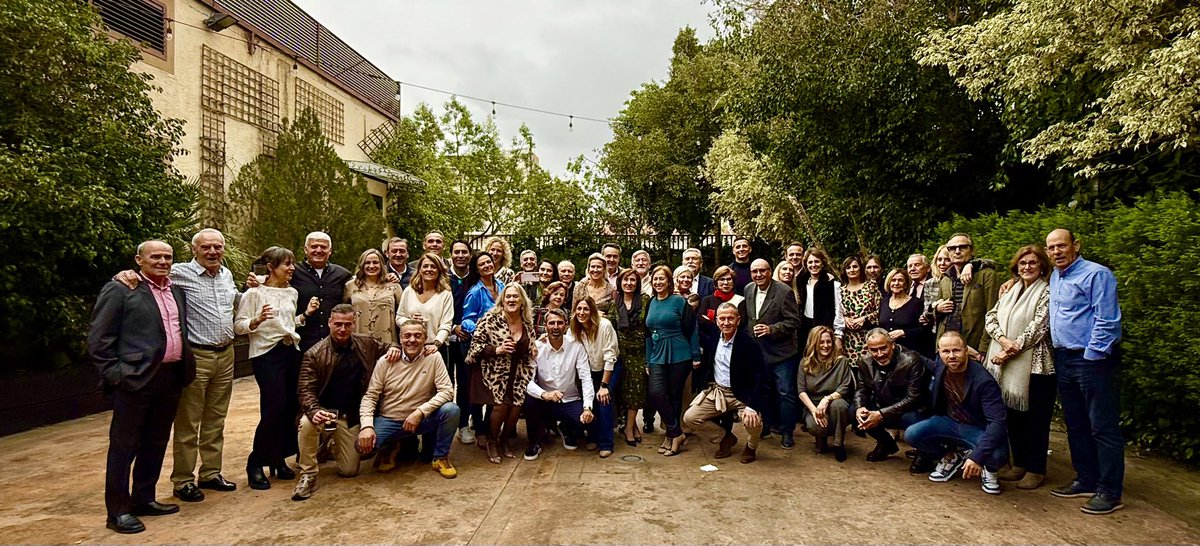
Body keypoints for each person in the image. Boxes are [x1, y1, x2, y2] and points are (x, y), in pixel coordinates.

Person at [112, 229, 239, 503]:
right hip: (197, 356)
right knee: (188, 422)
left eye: (217, 247)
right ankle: (183, 480)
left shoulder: (227, 275)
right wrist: (124, 274)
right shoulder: (179, 273)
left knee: (216, 420)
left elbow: (235, 303)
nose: (212, 252)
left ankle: (211, 472)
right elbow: (148, 275)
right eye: (206, 247)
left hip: (226, 355)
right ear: (194, 250)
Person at [90, 240, 197, 534]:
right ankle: (118, 512)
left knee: (156, 441)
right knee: (124, 446)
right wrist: (116, 375)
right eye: (155, 256)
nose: (162, 261)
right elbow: (99, 337)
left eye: (167, 257)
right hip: (135, 379)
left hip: (171, 377)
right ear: (139, 260)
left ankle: (143, 498)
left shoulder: (176, 291)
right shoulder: (121, 289)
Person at [1044, 228, 1125, 515]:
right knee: (1076, 423)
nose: (1056, 252)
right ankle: (1086, 479)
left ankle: (1110, 491)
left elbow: (1107, 320)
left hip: (1092, 360)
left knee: (1102, 426)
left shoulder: (1096, 274)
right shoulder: (1056, 276)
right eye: (1051, 248)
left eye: (1061, 245)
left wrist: (1092, 356)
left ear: (1075, 245)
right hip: (1064, 358)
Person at [292, 304, 402, 500]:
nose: (343, 329)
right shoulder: (314, 354)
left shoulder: (366, 343)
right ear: (329, 323)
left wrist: (395, 347)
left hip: (350, 416)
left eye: (347, 324)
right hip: (325, 412)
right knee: (307, 423)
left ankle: (330, 444)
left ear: (354, 324)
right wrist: (314, 411)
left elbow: (388, 346)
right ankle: (308, 474)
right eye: (338, 324)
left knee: (349, 470)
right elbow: (305, 390)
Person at [235, 246, 319, 490]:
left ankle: (278, 458)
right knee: (274, 408)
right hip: (266, 355)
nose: (292, 268)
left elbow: (288, 324)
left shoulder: (292, 292)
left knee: (289, 407)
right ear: (271, 267)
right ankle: (255, 463)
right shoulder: (254, 293)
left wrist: (305, 315)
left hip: (290, 352)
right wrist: (257, 320)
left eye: (292, 263)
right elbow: (239, 326)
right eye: (286, 264)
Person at [983, 245, 1054, 490]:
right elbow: (990, 317)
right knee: (1013, 416)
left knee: (1036, 420)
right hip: (1006, 363)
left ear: (1042, 266)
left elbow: (1039, 326)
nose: (1027, 267)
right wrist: (1003, 341)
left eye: (1033, 263)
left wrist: (1010, 349)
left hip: (1036, 367)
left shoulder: (1047, 291)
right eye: (1023, 263)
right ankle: (1020, 464)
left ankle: (1036, 469)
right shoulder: (1010, 290)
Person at [904, 331, 1008, 495]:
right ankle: (951, 457)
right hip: (949, 422)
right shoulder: (941, 365)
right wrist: (894, 346)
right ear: (939, 353)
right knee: (912, 434)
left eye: (956, 350)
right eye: (946, 351)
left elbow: (997, 422)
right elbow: (923, 360)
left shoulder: (984, 381)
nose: (951, 356)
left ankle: (989, 470)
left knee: (997, 454)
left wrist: (977, 457)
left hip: (977, 428)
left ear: (966, 350)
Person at [358, 320, 460, 480]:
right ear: (400, 338)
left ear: (425, 338)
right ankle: (393, 445)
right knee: (362, 448)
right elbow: (370, 396)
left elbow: (447, 391)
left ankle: (440, 457)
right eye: (407, 336)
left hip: (421, 420)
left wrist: (420, 412)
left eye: (418, 336)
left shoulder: (433, 358)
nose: (412, 340)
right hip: (390, 419)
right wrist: (366, 426)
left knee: (451, 410)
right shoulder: (386, 361)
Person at [685, 303, 771, 463]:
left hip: (743, 394)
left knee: (753, 422)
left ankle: (751, 447)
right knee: (690, 418)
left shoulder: (749, 344)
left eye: (730, 318)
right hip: (719, 392)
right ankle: (725, 438)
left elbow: (762, 377)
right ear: (717, 321)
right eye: (722, 319)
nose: (726, 323)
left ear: (738, 320)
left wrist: (753, 406)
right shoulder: (714, 337)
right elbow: (694, 321)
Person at [465, 284, 538, 464]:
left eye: (515, 296)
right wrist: (497, 349)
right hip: (494, 372)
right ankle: (492, 441)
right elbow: (474, 347)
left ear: (522, 301)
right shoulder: (490, 319)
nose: (511, 300)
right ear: (502, 301)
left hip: (519, 373)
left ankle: (504, 440)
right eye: (508, 297)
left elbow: (531, 342)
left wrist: (533, 348)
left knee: (516, 407)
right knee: (500, 406)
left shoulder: (527, 321)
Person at [743, 258, 802, 449]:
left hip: (782, 353)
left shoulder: (784, 291)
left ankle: (787, 431)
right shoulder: (748, 289)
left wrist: (771, 329)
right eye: (755, 271)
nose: (758, 275)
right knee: (762, 391)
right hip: (759, 353)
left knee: (785, 392)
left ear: (770, 271)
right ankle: (766, 425)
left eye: (762, 271)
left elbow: (794, 321)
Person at [522, 308, 594, 460]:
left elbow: (586, 378)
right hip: (544, 400)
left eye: (560, 323)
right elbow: (526, 380)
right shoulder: (537, 347)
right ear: (545, 326)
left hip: (569, 399)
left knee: (584, 422)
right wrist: (544, 394)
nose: (555, 327)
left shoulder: (576, 346)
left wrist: (587, 407)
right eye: (551, 323)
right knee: (529, 401)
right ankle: (535, 441)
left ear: (566, 325)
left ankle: (565, 427)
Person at [645, 265, 701, 456]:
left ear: (669, 281)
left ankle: (671, 436)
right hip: (657, 354)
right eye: (655, 279)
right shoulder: (651, 302)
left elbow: (692, 328)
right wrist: (648, 360)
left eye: (662, 278)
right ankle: (677, 433)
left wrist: (696, 355)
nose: (658, 282)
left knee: (675, 397)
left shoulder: (679, 301)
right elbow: (648, 334)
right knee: (656, 394)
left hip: (680, 353)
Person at [854, 329, 931, 468]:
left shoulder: (911, 360)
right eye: (874, 350)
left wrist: (880, 414)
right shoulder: (864, 362)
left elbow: (913, 397)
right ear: (868, 349)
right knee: (855, 412)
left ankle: (924, 452)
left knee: (911, 419)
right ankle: (886, 443)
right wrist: (860, 407)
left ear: (892, 345)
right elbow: (861, 390)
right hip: (883, 406)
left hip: (912, 409)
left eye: (883, 348)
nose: (880, 354)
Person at [566, 296, 619, 457]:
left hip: (609, 367)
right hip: (589, 371)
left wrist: (604, 386)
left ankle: (606, 443)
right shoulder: (574, 329)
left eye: (586, 309)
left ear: (592, 311)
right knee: (589, 402)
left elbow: (610, 357)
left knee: (603, 401)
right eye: (579, 309)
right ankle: (593, 437)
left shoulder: (604, 325)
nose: (582, 313)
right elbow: (565, 345)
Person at [797, 326, 854, 462]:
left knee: (839, 406)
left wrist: (827, 399)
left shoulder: (841, 361)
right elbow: (801, 391)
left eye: (829, 342)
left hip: (835, 400)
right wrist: (814, 410)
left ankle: (838, 443)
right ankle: (820, 438)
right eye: (821, 342)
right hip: (814, 404)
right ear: (814, 343)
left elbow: (845, 387)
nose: (826, 346)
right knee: (815, 426)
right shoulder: (805, 363)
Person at [936, 233, 999, 353]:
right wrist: (937, 309)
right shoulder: (945, 279)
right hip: (946, 347)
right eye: (952, 248)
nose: (957, 251)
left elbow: (993, 313)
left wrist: (983, 349)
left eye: (962, 247)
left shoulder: (987, 275)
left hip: (974, 346)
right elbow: (937, 315)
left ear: (972, 250)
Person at [447, 241, 483, 445]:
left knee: (465, 383)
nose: (460, 255)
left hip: (468, 340)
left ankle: (463, 425)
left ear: (470, 255)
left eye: (464, 252)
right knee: (446, 384)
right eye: (456, 252)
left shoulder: (475, 278)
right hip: (445, 339)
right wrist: (453, 326)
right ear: (451, 255)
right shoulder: (444, 278)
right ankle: (443, 427)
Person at [609, 269, 649, 447]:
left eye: (633, 280)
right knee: (622, 391)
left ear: (637, 283)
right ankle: (631, 425)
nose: (629, 283)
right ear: (620, 283)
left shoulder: (645, 300)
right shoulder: (615, 303)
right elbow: (610, 326)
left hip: (640, 352)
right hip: (620, 353)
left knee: (636, 391)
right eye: (625, 280)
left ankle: (629, 428)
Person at [396, 253, 454, 363]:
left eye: (433, 266)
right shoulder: (409, 291)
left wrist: (436, 344)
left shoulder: (445, 294)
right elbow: (399, 317)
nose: (429, 269)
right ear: (419, 270)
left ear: (439, 270)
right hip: (411, 347)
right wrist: (410, 321)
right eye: (425, 266)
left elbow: (446, 324)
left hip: (436, 348)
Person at [344, 248, 402, 344]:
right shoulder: (350, 286)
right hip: (358, 342)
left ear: (381, 265)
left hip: (388, 342)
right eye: (367, 263)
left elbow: (402, 314)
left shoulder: (394, 286)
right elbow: (344, 312)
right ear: (362, 265)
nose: (371, 266)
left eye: (375, 262)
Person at [798, 248, 845, 355]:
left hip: (826, 329)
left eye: (816, 261)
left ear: (822, 263)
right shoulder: (801, 283)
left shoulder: (833, 284)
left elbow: (838, 309)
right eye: (810, 262)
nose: (813, 265)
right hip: (806, 329)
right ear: (806, 264)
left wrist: (838, 335)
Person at [879, 268, 933, 357]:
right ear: (889, 283)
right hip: (885, 354)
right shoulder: (883, 302)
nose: (896, 283)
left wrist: (903, 332)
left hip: (909, 354)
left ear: (906, 284)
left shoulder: (916, 304)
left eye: (900, 280)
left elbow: (925, 330)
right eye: (893, 280)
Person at [840, 255, 880, 360]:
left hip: (868, 337)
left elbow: (880, 310)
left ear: (860, 268)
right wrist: (844, 319)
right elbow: (836, 312)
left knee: (868, 366)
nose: (852, 270)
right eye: (848, 268)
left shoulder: (871, 287)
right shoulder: (840, 291)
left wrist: (865, 318)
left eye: (855, 266)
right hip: (848, 339)